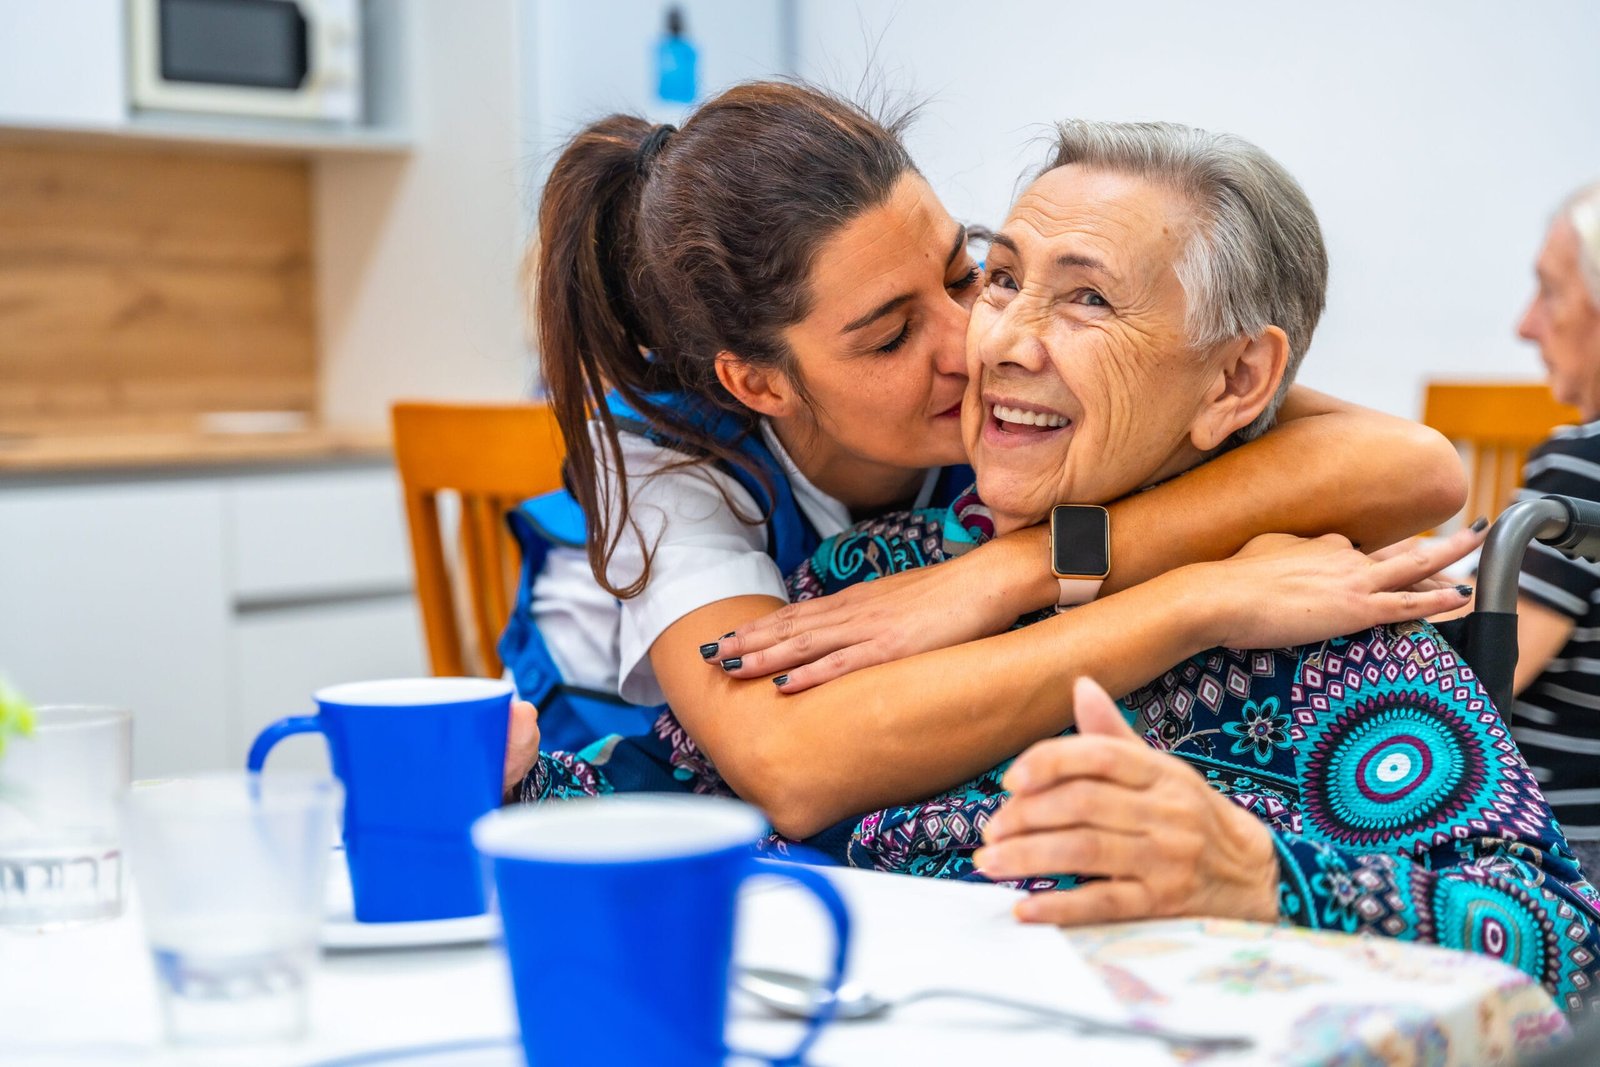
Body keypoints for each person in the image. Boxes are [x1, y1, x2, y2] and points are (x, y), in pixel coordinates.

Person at [521, 119, 1600, 1013]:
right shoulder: (875, 578)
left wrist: (1259, 878)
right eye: (1002, 278)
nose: (985, 341)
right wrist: (514, 774)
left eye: (1082, 297)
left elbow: (1559, 936)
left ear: (1234, 381)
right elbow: (688, 790)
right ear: (758, 381)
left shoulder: (1317, 618)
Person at [504, 81, 1467, 831]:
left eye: (970, 273)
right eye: (888, 338)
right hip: (626, 806)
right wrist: (1190, 600)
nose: (980, 337)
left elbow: (1417, 467)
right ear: (760, 385)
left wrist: (1012, 572)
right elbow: (793, 766)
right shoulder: (669, 460)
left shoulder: (1026, 410)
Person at [1505, 181, 1600, 879]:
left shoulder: (1584, 464)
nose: (1527, 323)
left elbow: (1487, 668)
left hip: (1558, 857)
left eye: (1551, 293)